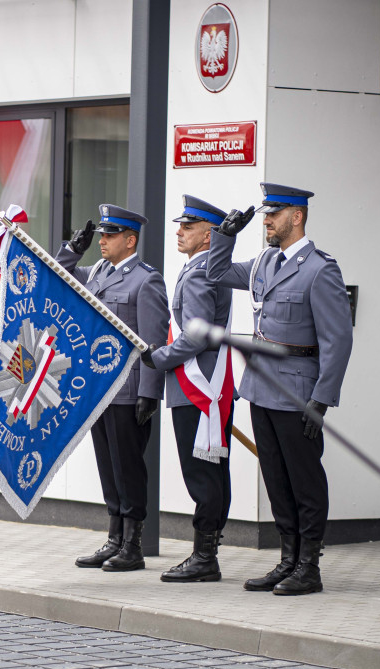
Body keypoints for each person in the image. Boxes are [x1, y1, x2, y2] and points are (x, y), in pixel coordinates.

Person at [206, 183, 353, 595]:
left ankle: (309, 565)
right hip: (261, 387)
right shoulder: (264, 262)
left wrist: (322, 399)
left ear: (297, 217)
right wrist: (224, 236)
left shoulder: (320, 269)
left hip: (298, 392)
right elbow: (216, 273)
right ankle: (287, 559)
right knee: (275, 477)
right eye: (266, 213)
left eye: (274, 213)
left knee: (304, 479)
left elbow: (337, 340)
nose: (266, 220)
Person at [56, 204, 168, 572]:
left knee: (128, 467)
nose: (102, 241)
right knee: (108, 466)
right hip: (98, 389)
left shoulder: (146, 280)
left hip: (128, 389)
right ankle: (114, 538)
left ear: (130, 239)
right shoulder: (98, 272)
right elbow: (59, 275)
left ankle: (133, 545)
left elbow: (153, 342)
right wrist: (74, 249)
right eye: (101, 235)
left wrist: (149, 392)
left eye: (109, 235)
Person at [140, 195, 235, 583]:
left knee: (202, 475)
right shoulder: (200, 269)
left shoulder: (198, 274)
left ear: (209, 236)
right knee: (211, 473)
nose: (178, 231)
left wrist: (157, 357)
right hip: (203, 384)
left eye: (188, 227)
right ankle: (206, 553)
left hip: (196, 386)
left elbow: (194, 337)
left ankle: (204, 557)